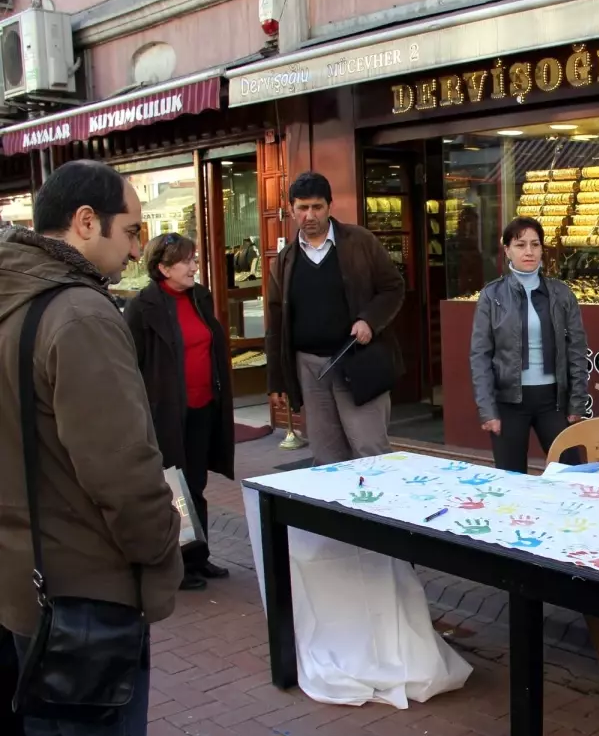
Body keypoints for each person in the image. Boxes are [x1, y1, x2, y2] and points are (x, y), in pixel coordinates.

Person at [0, 160, 183, 736]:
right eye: (131, 231)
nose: (137, 250)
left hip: (23, 584)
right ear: (86, 223)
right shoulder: (79, 313)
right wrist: (162, 549)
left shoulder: (14, 299)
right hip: (86, 596)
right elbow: (123, 469)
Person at [267, 172, 405, 466]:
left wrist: (369, 319)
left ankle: (378, 509)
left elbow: (393, 287)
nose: (310, 215)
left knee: (369, 449)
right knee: (327, 454)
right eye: (302, 208)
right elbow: (276, 322)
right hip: (309, 367)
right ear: (291, 209)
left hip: (356, 359)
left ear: (330, 206)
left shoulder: (360, 242)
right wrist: (276, 380)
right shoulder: (285, 259)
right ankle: (339, 512)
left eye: (317, 207)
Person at [125, 233, 235, 592]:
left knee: (197, 485)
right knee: (175, 488)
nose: (194, 266)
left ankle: (199, 556)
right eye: (186, 261)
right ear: (163, 267)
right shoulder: (142, 308)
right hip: (167, 413)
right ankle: (179, 563)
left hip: (203, 408)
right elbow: (132, 364)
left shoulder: (199, 297)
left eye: (194, 258)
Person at [470, 216, 588, 473]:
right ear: (507, 250)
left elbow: (577, 350)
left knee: (572, 474)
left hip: (552, 401)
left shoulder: (561, 293)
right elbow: (480, 355)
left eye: (535, 244)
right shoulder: (492, 296)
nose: (529, 251)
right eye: (520, 244)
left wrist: (577, 402)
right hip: (509, 401)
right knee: (511, 479)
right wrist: (487, 409)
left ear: (542, 249)